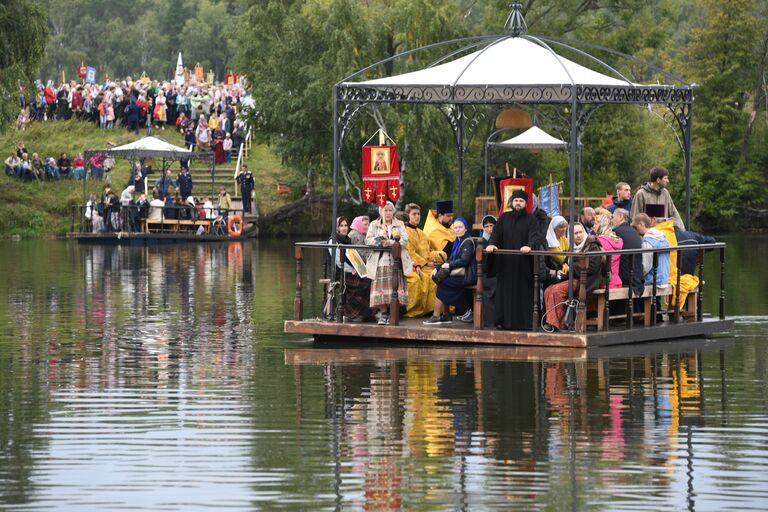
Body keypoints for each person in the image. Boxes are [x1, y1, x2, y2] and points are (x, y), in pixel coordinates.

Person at [485, 190, 543, 330]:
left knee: (523, 294)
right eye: (516, 200)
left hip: (523, 265)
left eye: (521, 201)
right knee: (504, 293)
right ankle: (503, 322)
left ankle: (524, 324)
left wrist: (529, 246)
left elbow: (535, 236)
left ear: (525, 203)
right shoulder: (504, 218)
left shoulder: (531, 220)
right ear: (512, 202)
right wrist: (492, 244)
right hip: (506, 265)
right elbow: (496, 234)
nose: (518, 203)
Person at [543, 223, 603, 331]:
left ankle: (554, 324)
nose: (578, 235)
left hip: (586, 280)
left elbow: (593, 266)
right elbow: (566, 262)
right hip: (573, 278)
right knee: (548, 290)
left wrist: (571, 269)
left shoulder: (592, 245)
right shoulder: (571, 246)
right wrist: (562, 269)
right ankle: (557, 322)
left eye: (580, 232)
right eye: (575, 233)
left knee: (557, 290)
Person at [365, 201, 412, 325]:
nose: (388, 213)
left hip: (397, 260)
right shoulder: (374, 224)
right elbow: (368, 240)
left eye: (390, 210)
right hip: (380, 261)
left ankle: (393, 313)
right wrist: (380, 240)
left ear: (393, 212)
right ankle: (383, 314)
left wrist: (391, 243)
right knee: (381, 289)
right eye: (385, 210)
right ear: (381, 212)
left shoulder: (399, 224)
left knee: (393, 288)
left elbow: (405, 240)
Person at [425, 218, 477, 325]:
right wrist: (438, 268)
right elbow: (451, 259)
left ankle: (437, 315)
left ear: (466, 229)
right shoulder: (458, 241)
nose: (457, 230)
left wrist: (449, 265)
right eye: (456, 227)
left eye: (460, 227)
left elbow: (464, 260)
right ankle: (446, 315)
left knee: (443, 283)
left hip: (467, 276)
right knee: (442, 282)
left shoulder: (467, 242)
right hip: (460, 274)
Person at [328, 216, 374, 323]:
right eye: (341, 226)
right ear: (337, 228)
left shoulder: (347, 239)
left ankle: (365, 313)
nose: (344, 228)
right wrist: (351, 270)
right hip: (341, 273)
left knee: (370, 279)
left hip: (351, 271)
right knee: (365, 283)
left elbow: (353, 256)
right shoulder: (333, 241)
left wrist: (359, 269)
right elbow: (339, 262)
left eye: (345, 225)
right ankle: (351, 313)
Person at [403, 204, 441, 318]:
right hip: (415, 265)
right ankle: (424, 310)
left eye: (418, 214)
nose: (417, 216)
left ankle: (437, 309)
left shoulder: (421, 232)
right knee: (432, 277)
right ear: (408, 216)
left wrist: (433, 259)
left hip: (427, 264)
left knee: (440, 274)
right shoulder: (405, 232)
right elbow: (410, 252)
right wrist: (425, 263)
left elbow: (428, 250)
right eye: (414, 214)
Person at [611, 208, 644, 296]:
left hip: (625, 278)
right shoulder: (635, 232)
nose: (612, 220)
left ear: (621, 217)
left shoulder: (616, 232)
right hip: (638, 278)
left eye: (613, 217)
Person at [632, 213, 670, 286]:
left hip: (652, 280)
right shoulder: (662, 237)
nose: (635, 230)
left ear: (641, 224)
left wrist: (636, 276)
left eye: (635, 227)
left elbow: (646, 266)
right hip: (664, 278)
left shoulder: (648, 241)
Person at [593, 211, 624, 288]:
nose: (593, 226)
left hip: (604, 283)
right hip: (616, 281)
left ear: (602, 225)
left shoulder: (599, 240)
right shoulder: (617, 240)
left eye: (596, 224)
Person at [543, 215, 569, 288]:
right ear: (554, 229)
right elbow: (560, 258)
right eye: (561, 227)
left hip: (561, 270)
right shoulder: (549, 241)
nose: (564, 229)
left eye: (565, 227)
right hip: (551, 271)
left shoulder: (564, 239)